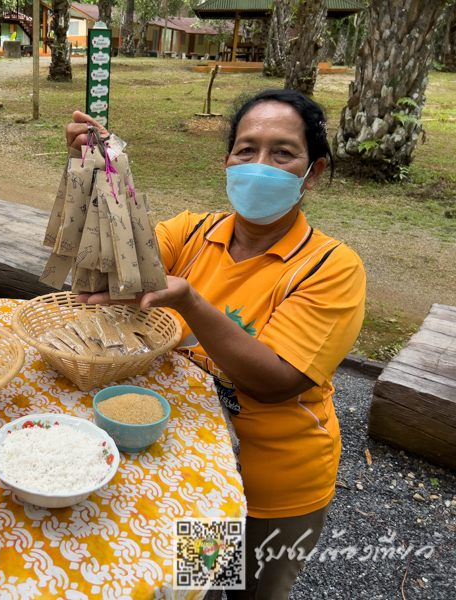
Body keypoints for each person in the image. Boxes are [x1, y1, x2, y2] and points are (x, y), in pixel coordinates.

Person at [66, 89, 366, 600]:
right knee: (198, 584)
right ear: (227, 160)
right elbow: (106, 272)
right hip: (197, 475)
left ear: (312, 173)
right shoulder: (190, 233)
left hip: (273, 489)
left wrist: (190, 303)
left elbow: (276, 382)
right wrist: (97, 181)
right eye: (246, 150)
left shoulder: (331, 269)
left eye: (283, 153)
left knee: (250, 593)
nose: (260, 165)